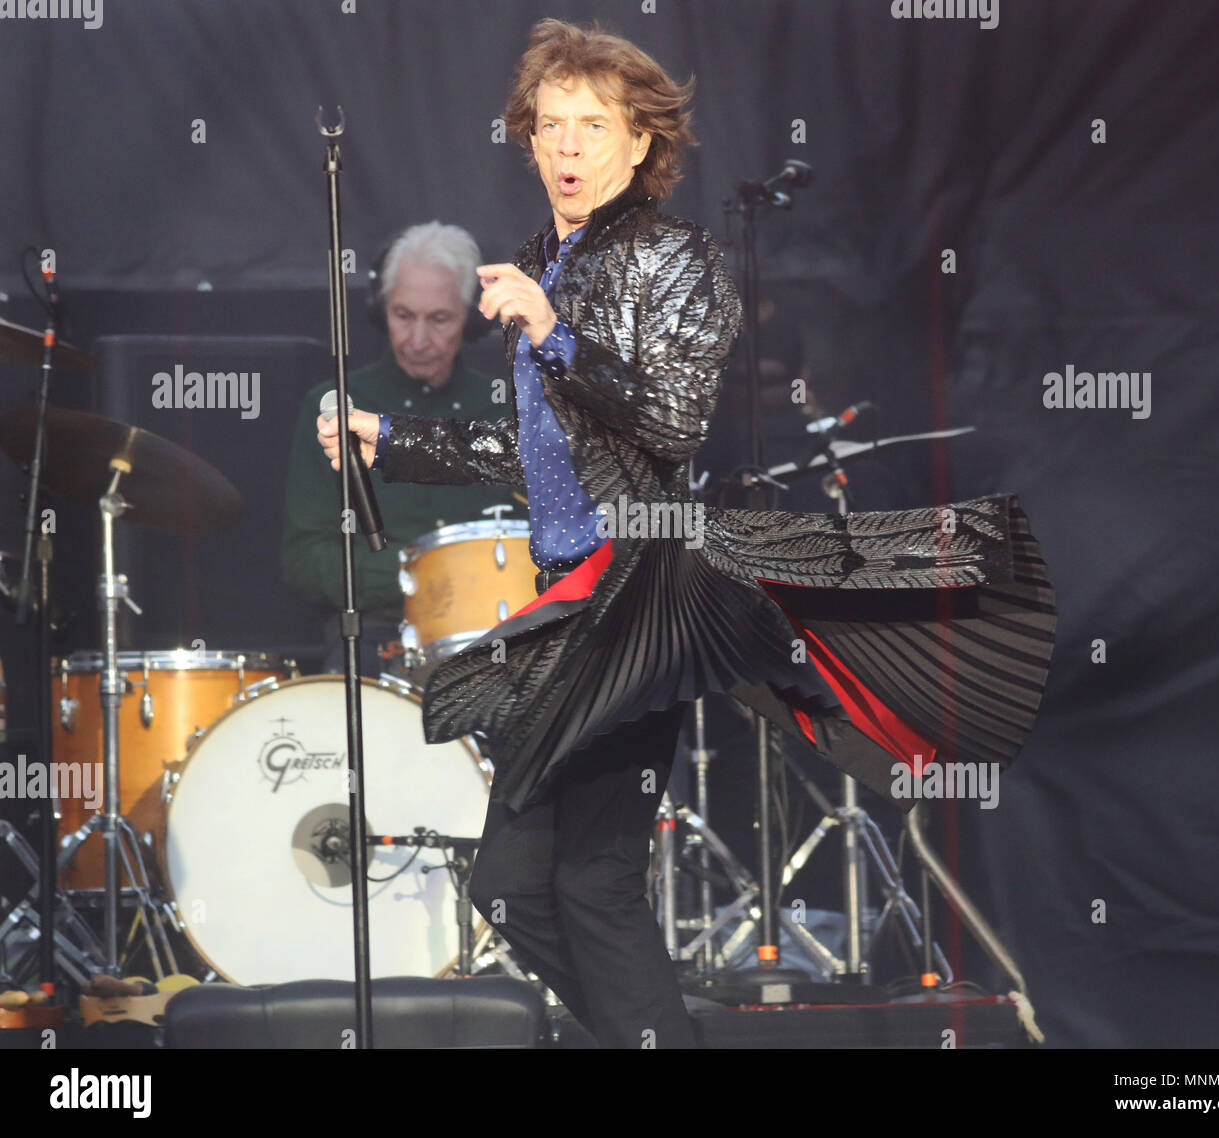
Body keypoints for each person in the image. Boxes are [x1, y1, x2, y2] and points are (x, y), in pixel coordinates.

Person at [317, 19, 1056, 1048]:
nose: (567, 145)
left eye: (592, 125)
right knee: (519, 884)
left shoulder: (674, 258)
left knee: (591, 880)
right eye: (550, 124)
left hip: (644, 593)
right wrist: (386, 433)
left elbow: (667, 422)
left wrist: (552, 333)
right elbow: (541, 450)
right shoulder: (547, 262)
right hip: (577, 591)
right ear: (525, 140)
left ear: (637, 144)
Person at [282, 221, 520, 675]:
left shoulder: (507, 405)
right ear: (381, 310)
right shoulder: (334, 404)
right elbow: (304, 560)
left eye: (439, 319)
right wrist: (421, 576)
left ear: (470, 318)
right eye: (403, 315)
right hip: (376, 637)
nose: (416, 339)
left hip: (495, 637)